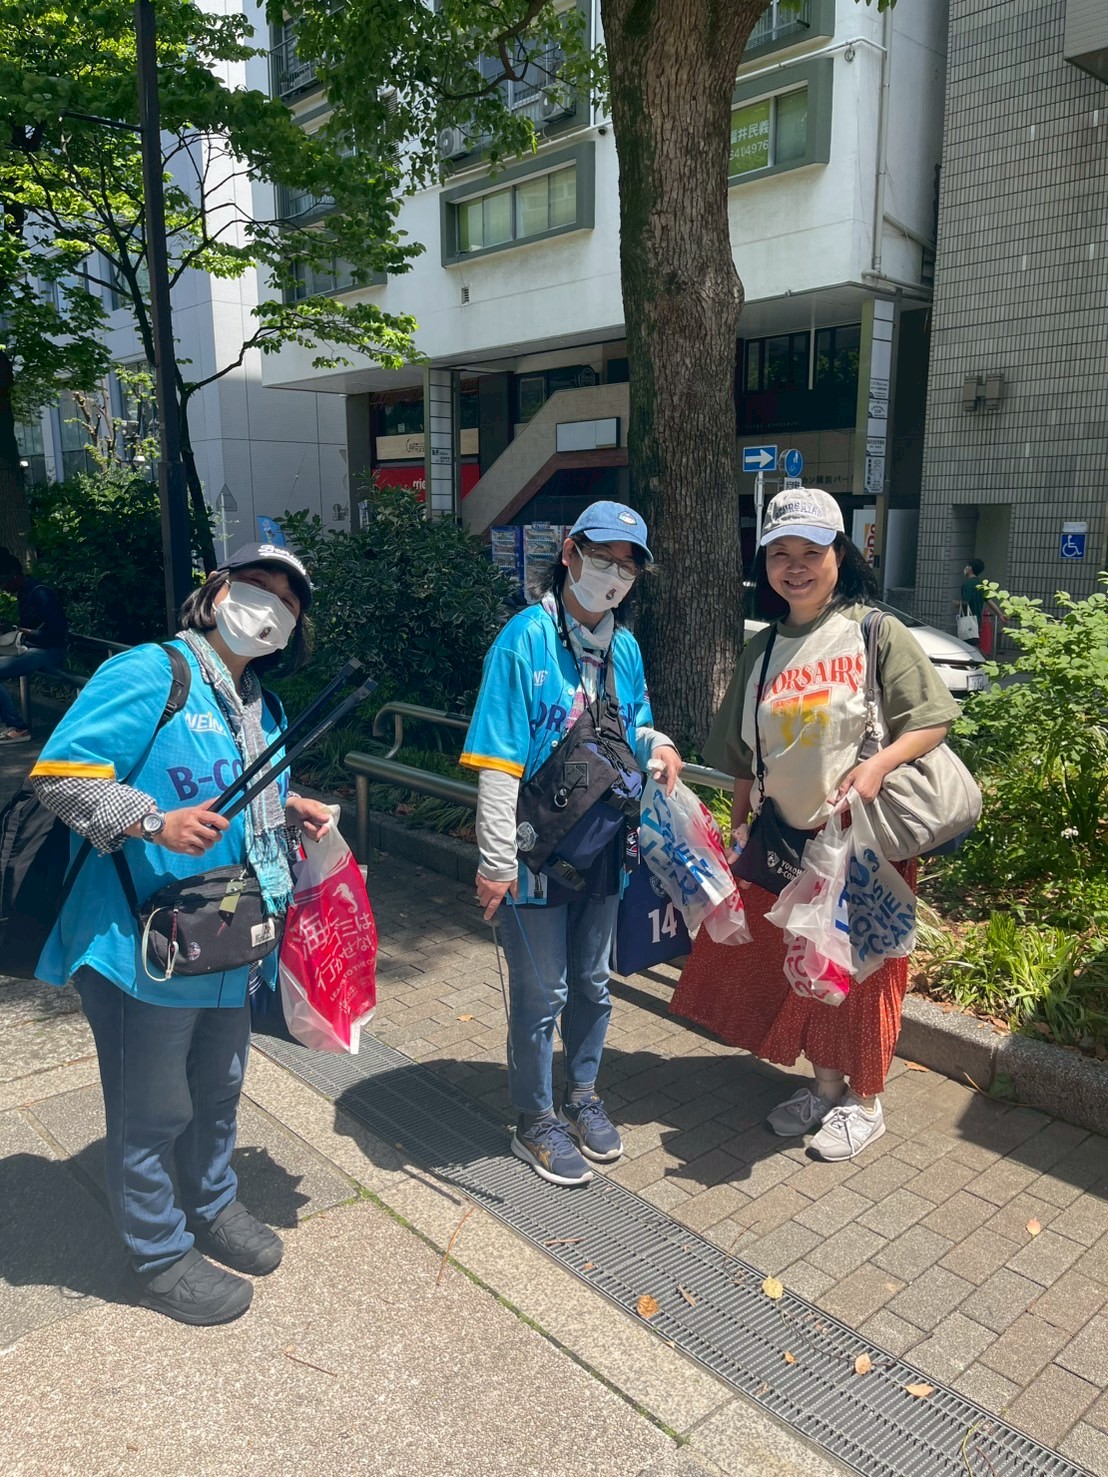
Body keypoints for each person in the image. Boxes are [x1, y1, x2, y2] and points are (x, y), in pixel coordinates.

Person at [29, 543, 335, 1325]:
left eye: (288, 600)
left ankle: (213, 1201)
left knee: (220, 1084)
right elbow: (59, 774)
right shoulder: (153, 673)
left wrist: (290, 807)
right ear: (217, 588)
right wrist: (152, 821)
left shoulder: (261, 703)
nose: (270, 605)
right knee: (153, 1104)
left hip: (228, 937)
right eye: (257, 584)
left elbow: (253, 792)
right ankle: (158, 1250)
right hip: (143, 945)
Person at [670, 489, 959, 1162]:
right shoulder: (764, 648)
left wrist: (877, 765)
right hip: (790, 839)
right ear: (765, 564)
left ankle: (867, 1101)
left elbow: (932, 720)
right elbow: (744, 756)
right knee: (806, 964)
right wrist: (739, 824)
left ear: (840, 556)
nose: (795, 567)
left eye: (811, 552)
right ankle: (826, 1086)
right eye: (780, 554)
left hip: (865, 841)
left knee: (868, 972)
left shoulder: (873, 632)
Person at [462, 502, 682, 1187]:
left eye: (627, 566)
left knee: (592, 981)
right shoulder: (523, 640)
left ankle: (583, 1093)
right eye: (602, 557)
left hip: (606, 843)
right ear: (569, 553)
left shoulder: (625, 648)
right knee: (542, 992)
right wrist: (495, 860)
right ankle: (534, 1116)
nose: (612, 575)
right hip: (535, 851)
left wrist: (660, 745)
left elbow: (633, 725)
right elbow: (497, 761)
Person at [0, 550, 68, 741]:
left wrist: (19, 630)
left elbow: (57, 633)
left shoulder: (41, 593)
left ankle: (18, 728)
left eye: (3, 583)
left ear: (14, 574)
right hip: (31, 648)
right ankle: (15, 725)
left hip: (48, 651)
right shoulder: (24, 592)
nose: (3, 588)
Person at [960, 557, 1006, 658]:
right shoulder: (980, 584)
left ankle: (983, 660)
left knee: (969, 646)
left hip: (968, 620)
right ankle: (983, 659)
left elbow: (965, 603)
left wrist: (957, 606)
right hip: (977, 619)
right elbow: (989, 600)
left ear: (970, 568)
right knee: (975, 642)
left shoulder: (967, 584)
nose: (965, 568)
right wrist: (1000, 614)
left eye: (967, 566)